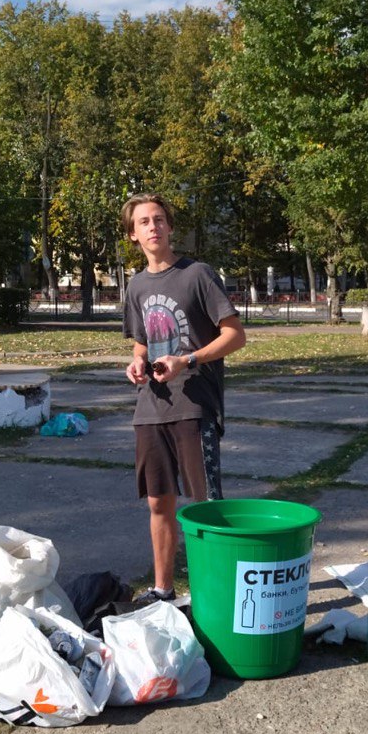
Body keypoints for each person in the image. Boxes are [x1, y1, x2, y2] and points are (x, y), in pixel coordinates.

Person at [121, 193, 246, 606]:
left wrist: (188, 358)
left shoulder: (198, 274)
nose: (153, 226)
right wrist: (137, 363)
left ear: (171, 227)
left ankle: (215, 593)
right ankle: (163, 590)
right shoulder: (136, 285)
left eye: (159, 219)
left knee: (205, 503)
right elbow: (142, 342)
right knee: (159, 502)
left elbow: (235, 335)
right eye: (143, 222)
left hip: (194, 404)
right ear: (133, 234)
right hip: (151, 406)